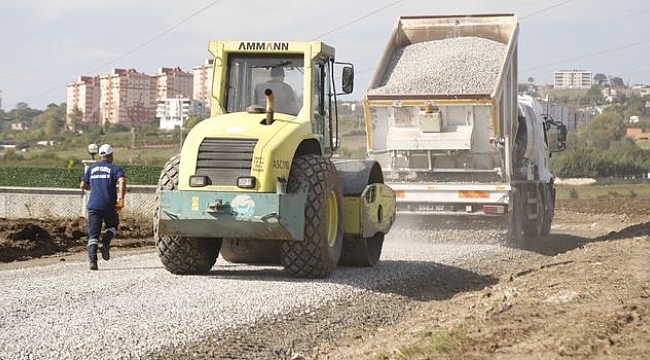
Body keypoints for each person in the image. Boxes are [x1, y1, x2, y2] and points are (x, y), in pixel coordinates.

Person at [80, 143, 126, 270]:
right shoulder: (115, 168)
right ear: (111, 155)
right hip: (109, 205)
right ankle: (105, 243)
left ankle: (93, 262)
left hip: (93, 205)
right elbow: (122, 180)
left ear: (100, 156)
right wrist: (121, 199)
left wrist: (92, 187)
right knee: (113, 225)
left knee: (93, 235)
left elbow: (82, 185)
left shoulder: (91, 169)